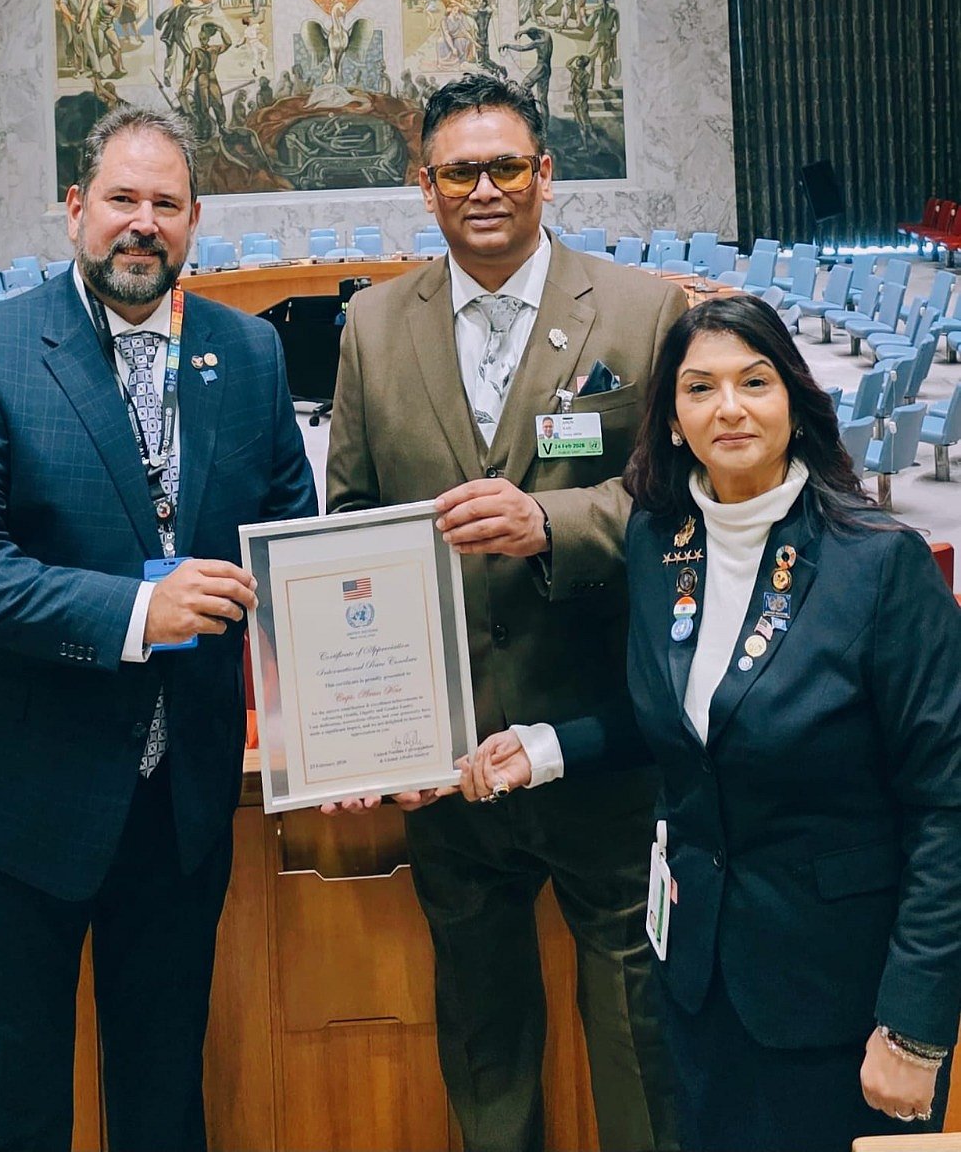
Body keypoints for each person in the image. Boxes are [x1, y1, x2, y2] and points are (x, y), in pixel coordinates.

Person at [0, 106, 318, 1152]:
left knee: (165, 1101)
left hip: (177, 808)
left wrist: (355, 711)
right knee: (12, 1112)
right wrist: (137, 610)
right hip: (12, 800)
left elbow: (291, 542)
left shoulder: (248, 353)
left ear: (195, 221)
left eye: (165, 204)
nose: (143, 223)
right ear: (75, 208)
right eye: (121, 199)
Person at [461, 294, 961, 1152]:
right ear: (672, 419)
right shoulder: (661, 544)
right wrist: (546, 749)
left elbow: (946, 806)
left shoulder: (881, 565)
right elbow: (688, 726)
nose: (729, 408)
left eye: (754, 382)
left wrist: (915, 1027)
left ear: (795, 401)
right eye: (700, 388)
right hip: (697, 981)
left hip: (841, 999)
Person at [327, 71, 685, 1152]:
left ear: (545, 173)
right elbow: (349, 525)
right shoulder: (371, 325)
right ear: (423, 185)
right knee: (483, 1046)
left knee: (637, 1040)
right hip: (450, 763)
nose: (482, 189)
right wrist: (371, 731)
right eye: (457, 173)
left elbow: (680, 508)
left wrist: (551, 521)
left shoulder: (643, 311)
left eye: (504, 167)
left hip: (602, 744)